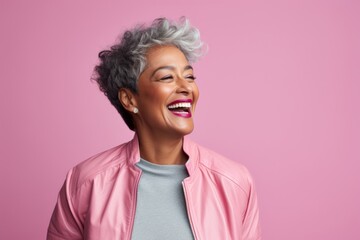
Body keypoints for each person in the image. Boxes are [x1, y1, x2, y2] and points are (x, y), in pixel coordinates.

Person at [47, 17, 261, 240]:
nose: (186, 87)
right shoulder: (87, 182)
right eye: (167, 77)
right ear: (130, 100)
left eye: (189, 76)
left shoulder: (234, 181)